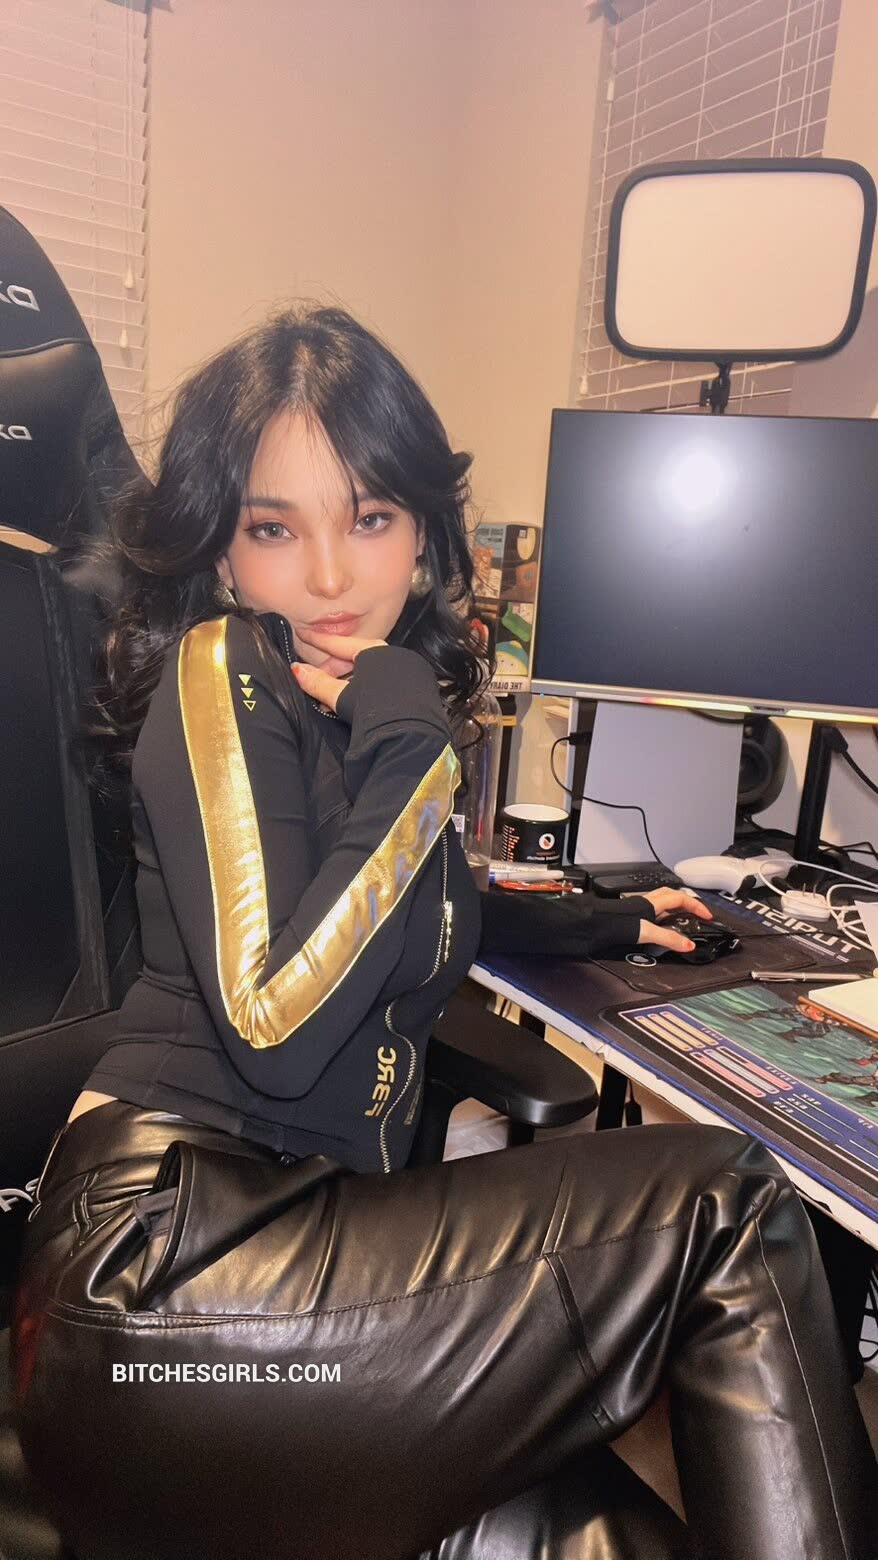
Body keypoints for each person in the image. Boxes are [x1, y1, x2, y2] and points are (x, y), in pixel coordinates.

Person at [10, 305, 876, 1560]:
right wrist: (413, 737)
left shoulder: (341, 711)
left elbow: (424, 907)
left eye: (367, 518)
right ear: (220, 555)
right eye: (272, 527)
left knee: (607, 1538)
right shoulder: (220, 672)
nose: (328, 576)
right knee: (724, 1206)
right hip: (160, 1295)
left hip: (298, 1308)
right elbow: (276, 1022)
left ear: (422, 534)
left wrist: (615, 917)